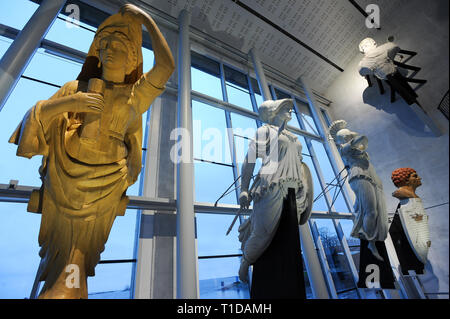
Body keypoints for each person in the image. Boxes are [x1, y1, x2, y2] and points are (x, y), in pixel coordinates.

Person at [9, 4, 174, 299]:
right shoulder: (75, 87)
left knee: (81, 255)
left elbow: (166, 67)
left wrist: (146, 20)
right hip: (63, 182)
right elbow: (36, 116)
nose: (108, 50)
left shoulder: (134, 97)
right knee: (60, 254)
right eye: (104, 44)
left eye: (118, 45)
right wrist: (70, 104)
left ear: (133, 56)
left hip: (105, 187)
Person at [237, 98, 313, 293]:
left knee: (289, 239)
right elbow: (250, 159)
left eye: (289, 108)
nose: (290, 110)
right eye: (284, 108)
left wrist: (304, 185)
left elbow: (300, 164)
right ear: (272, 112)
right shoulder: (264, 131)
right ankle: (246, 261)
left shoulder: (293, 137)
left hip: (293, 190)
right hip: (271, 185)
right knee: (264, 231)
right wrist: (243, 188)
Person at [328, 120, 388, 261]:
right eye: (347, 137)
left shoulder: (355, 149)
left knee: (375, 210)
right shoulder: (345, 149)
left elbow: (361, 142)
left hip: (369, 177)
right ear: (343, 139)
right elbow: (362, 138)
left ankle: (372, 237)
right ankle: (370, 242)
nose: (350, 138)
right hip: (359, 177)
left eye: (349, 136)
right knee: (370, 211)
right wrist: (352, 137)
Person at [390, 168, 430, 274]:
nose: (419, 178)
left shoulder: (412, 197)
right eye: (415, 176)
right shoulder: (403, 194)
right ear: (405, 180)